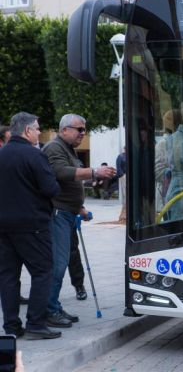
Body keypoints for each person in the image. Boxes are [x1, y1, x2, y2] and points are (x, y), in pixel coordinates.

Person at [42, 114, 116, 327]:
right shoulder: (54, 148)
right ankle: (49, 310)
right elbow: (61, 173)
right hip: (58, 214)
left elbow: (69, 183)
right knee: (58, 264)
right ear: (64, 130)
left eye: (84, 129)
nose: (83, 133)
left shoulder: (67, 149)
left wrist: (80, 208)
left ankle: (52, 306)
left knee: (62, 262)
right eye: (79, 129)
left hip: (68, 213)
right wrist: (94, 171)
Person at [0, 112, 61, 340]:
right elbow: (51, 189)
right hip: (32, 224)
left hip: (3, 226)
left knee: (7, 276)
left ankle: (11, 327)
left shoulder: (2, 154)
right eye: (36, 128)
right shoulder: (34, 156)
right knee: (42, 272)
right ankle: (36, 323)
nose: (38, 132)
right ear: (26, 131)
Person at [116, 147, 127, 223]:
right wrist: (122, 175)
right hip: (124, 176)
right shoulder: (121, 156)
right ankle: (123, 215)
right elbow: (118, 167)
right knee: (125, 194)